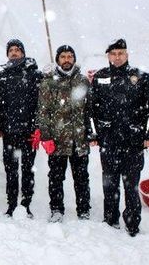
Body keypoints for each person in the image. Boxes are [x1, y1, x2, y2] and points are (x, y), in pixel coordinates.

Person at [86, 39, 149, 237]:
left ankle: (132, 223)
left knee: (131, 186)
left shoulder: (140, 77)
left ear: (127, 55)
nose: (117, 57)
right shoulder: (100, 77)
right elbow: (89, 109)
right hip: (108, 140)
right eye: (113, 53)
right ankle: (110, 220)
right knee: (110, 184)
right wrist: (92, 133)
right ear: (108, 56)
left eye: (121, 53)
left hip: (133, 142)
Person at [37, 44, 91, 223]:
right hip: (57, 139)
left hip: (79, 140)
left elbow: (90, 109)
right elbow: (43, 111)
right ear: (57, 60)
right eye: (63, 57)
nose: (66, 60)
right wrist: (46, 136)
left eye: (69, 56)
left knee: (82, 177)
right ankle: (56, 209)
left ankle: (83, 210)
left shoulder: (83, 81)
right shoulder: (49, 82)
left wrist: (90, 132)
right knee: (56, 177)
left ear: (74, 59)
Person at [0, 39, 42, 218]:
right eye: (11, 50)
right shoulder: (2, 76)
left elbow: (41, 103)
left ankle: (26, 204)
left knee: (28, 170)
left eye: (17, 50)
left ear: (23, 53)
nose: (14, 52)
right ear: (7, 54)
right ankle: (12, 204)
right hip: (9, 131)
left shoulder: (34, 74)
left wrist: (37, 126)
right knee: (11, 170)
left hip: (29, 131)